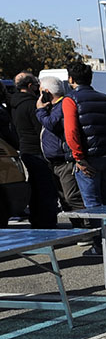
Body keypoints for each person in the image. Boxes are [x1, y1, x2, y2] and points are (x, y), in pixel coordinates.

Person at [63, 61, 106, 256]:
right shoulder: (105, 98)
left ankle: (100, 245)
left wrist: (78, 157)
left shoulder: (71, 99)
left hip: (88, 156)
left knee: (92, 202)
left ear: (71, 79)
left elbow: (72, 131)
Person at [35, 76, 86, 227]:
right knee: (64, 198)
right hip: (54, 160)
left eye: (40, 92)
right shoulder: (52, 107)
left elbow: (53, 124)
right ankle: (78, 227)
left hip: (65, 159)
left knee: (72, 197)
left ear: (46, 92)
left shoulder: (63, 105)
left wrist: (40, 111)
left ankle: (87, 227)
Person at [8, 73, 57, 227]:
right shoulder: (32, 104)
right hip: (37, 150)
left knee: (35, 187)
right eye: (36, 84)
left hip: (25, 149)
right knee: (46, 188)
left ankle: (36, 219)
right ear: (30, 86)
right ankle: (46, 222)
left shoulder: (14, 103)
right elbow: (41, 129)